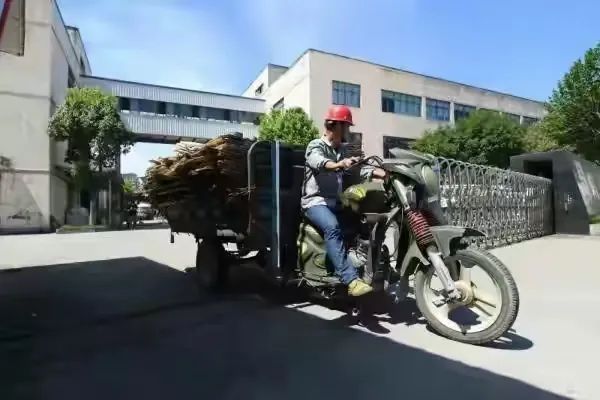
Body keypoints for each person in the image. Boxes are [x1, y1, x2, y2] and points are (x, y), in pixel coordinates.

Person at [301, 105, 386, 296]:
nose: (348, 130)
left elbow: (358, 169)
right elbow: (320, 163)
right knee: (332, 227)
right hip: (315, 202)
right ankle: (351, 280)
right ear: (334, 125)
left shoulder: (343, 150)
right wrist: (339, 164)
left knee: (366, 221)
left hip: (337, 202)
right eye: (346, 126)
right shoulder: (316, 146)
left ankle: (370, 265)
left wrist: (383, 173)